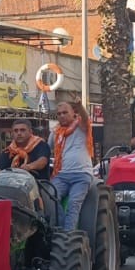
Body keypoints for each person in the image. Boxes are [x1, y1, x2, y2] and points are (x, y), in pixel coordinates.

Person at [49, 99, 94, 230]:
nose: (62, 116)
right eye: (59, 114)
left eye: (65, 112)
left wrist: (80, 107)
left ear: (74, 113)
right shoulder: (55, 133)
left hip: (81, 175)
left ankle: (68, 235)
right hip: (61, 175)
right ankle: (61, 230)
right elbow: (46, 150)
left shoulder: (81, 126)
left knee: (74, 203)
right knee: (50, 197)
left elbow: (85, 119)